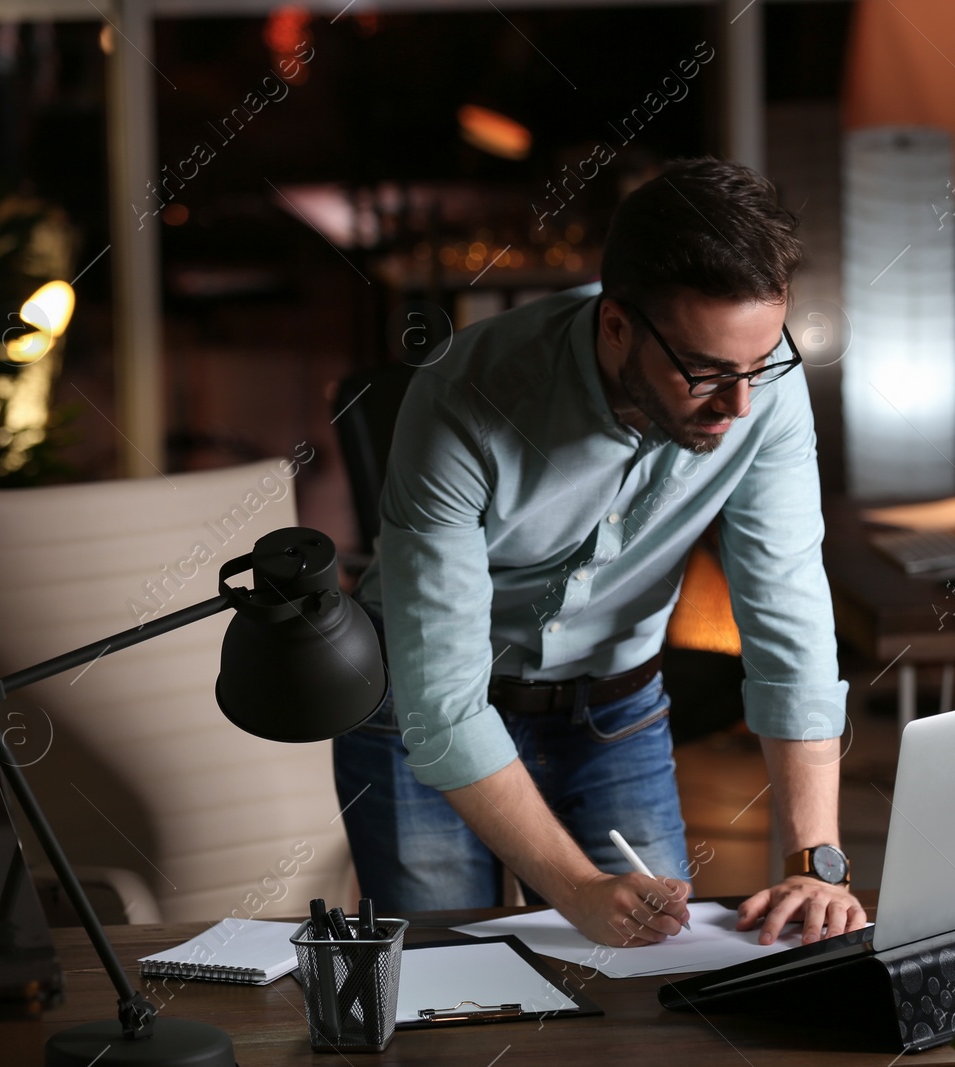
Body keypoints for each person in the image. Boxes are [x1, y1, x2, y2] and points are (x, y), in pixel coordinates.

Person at [333, 157, 865, 949]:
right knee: (448, 993)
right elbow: (443, 704)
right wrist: (578, 889)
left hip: (612, 707)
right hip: (416, 714)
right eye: (707, 372)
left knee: (656, 981)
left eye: (760, 365)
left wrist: (816, 863)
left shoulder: (763, 396)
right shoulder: (462, 399)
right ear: (616, 325)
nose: (739, 403)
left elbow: (789, 622)